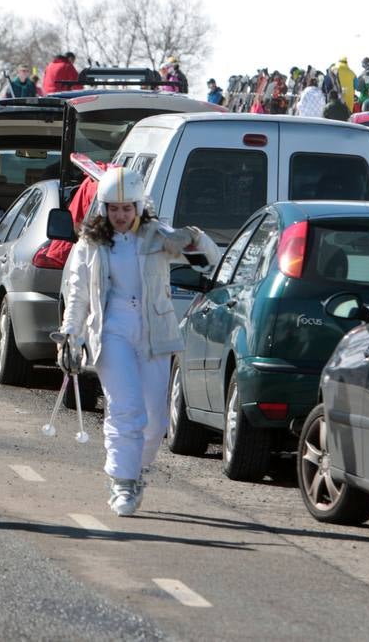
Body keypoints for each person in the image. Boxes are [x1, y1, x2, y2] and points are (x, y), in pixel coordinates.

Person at [56, 167, 217, 517]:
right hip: (111, 329)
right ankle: (122, 481)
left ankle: (138, 470)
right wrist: (72, 335)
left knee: (156, 420)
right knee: (125, 408)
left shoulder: (158, 236)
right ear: (103, 208)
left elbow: (210, 261)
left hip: (153, 332)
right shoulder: (90, 243)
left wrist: (193, 236)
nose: (120, 215)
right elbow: (78, 292)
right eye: (113, 208)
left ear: (140, 206)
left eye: (127, 208)